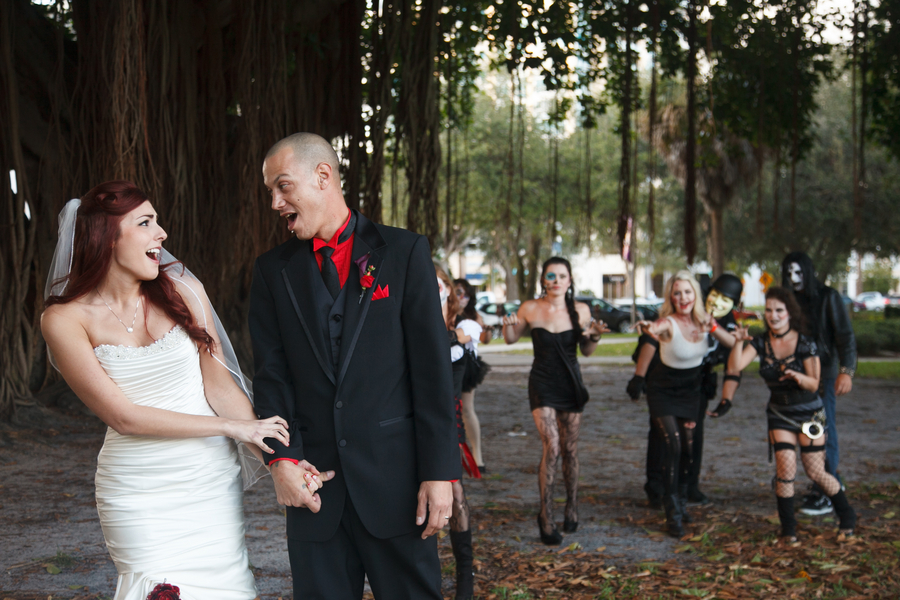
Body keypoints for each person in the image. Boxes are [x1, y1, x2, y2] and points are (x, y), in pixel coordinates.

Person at [41, 181, 294, 599]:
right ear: (106, 237)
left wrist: (276, 461)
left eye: (157, 221)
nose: (162, 233)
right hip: (137, 488)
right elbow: (122, 416)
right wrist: (232, 428)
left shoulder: (183, 290)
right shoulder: (64, 319)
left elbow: (221, 387)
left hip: (209, 481)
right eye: (146, 222)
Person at [251, 133, 460, 599]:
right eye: (270, 191)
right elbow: (271, 377)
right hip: (315, 492)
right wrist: (280, 460)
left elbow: (432, 373)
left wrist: (439, 472)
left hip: (398, 487)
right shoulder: (271, 271)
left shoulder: (404, 253)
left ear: (323, 176)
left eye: (282, 187)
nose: (274, 202)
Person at [710, 286, 856, 540]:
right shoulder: (760, 342)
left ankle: (847, 515)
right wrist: (739, 342)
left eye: (779, 310)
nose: (773, 315)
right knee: (785, 470)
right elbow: (735, 366)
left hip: (810, 413)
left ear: (789, 313)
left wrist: (799, 376)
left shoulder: (805, 343)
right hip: (780, 413)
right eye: (768, 310)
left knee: (815, 471)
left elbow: (814, 383)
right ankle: (788, 530)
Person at [501, 257, 610, 544]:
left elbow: (586, 350)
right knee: (552, 444)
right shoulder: (530, 308)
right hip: (542, 382)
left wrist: (595, 336)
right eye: (551, 275)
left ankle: (571, 506)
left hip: (571, 383)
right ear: (544, 280)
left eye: (562, 276)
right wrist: (508, 324)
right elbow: (511, 339)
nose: (557, 280)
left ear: (569, 280)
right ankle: (545, 515)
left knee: (570, 449)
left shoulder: (581, 310)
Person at [634, 271, 735, 537]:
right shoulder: (667, 322)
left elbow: (733, 343)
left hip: (691, 393)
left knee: (689, 451)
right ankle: (672, 512)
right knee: (674, 445)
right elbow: (655, 330)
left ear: (695, 295)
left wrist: (713, 327)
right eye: (677, 292)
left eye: (687, 292)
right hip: (663, 392)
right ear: (671, 296)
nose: (682, 297)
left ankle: (678, 499)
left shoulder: (705, 322)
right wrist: (648, 328)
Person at [781, 252, 857, 516]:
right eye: (789, 273)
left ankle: (826, 487)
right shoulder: (786, 301)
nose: (794, 278)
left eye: (799, 272)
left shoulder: (828, 297)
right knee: (801, 430)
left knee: (821, 429)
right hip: (794, 377)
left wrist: (846, 371)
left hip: (823, 376)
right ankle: (824, 481)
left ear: (808, 271)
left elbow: (845, 336)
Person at [439, 269, 477, 600]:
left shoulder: (463, 325)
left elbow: (482, 338)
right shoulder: (408, 319)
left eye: (439, 284)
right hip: (410, 416)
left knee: (454, 488)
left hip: (449, 417)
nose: (433, 290)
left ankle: (466, 570)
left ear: (449, 289)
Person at [454, 278, 491, 472]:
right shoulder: (444, 310)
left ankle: (477, 456)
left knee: (467, 409)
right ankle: (455, 454)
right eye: (459, 292)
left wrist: (487, 331)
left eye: (467, 294)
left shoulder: (473, 315)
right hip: (449, 364)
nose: (463, 298)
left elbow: (485, 338)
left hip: (468, 366)